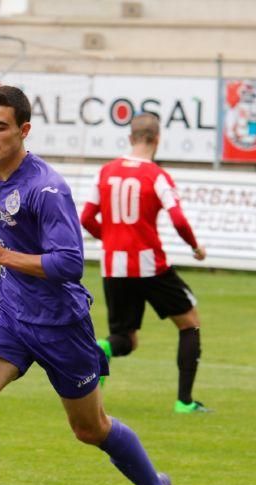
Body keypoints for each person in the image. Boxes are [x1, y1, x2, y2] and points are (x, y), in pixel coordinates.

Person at [0, 86, 183, 485]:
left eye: (0, 127)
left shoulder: (47, 188)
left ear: (24, 130)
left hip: (60, 322)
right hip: (10, 310)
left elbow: (69, 262)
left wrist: (2, 253)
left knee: (90, 428)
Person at [80, 113, 210, 414]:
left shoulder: (105, 172)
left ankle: (104, 349)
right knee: (190, 323)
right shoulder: (156, 176)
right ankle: (184, 402)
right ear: (157, 139)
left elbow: (86, 218)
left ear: (130, 138)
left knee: (126, 339)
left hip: (114, 266)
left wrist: (110, 239)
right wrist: (195, 246)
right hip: (150, 266)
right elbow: (177, 217)